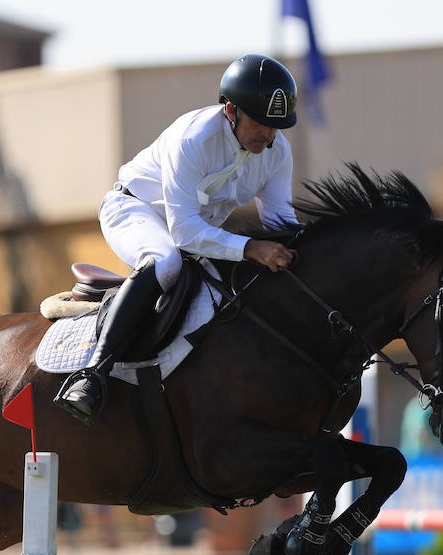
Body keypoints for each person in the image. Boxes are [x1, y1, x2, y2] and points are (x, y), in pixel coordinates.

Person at [53, 53, 301, 424]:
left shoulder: (276, 152)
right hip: (133, 210)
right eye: (260, 122)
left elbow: (280, 222)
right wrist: (250, 247)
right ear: (231, 111)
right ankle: (92, 375)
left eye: (275, 126)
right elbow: (185, 234)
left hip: (197, 234)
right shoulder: (193, 138)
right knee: (165, 261)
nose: (267, 134)